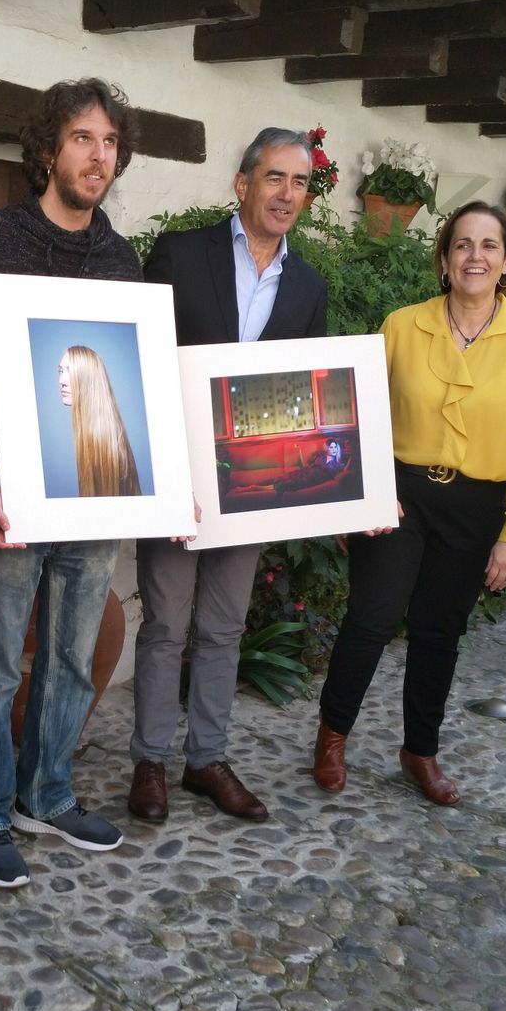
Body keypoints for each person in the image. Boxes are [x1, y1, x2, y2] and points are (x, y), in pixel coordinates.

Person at [0, 78, 144, 888]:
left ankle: (46, 794)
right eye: (83, 139)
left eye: (109, 143)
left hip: (94, 485)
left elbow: (128, 386)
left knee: (69, 656)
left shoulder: (123, 260)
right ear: (48, 149)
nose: (98, 157)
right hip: (13, 494)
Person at [313, 200, 506, 805]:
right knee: (371, 618)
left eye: (488, 246)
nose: (475, 256)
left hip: (476, 507)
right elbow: (361, 417)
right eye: (462, 245)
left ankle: (419, 751)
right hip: (400, 497)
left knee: (439, 632)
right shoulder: (401, 325)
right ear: (444, 260)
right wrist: (354, 499)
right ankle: (331, 738)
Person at [128, 128, 329, 825]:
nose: (287, 194)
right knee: (165, 624)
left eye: (299, 183)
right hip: (179, 478)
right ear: (242, 185)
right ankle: (150, 761)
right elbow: (143, 359)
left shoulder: (308, 286)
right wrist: (155, 471)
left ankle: (206, 760)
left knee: (223, 627)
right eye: (274, 178)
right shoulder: (182, 255)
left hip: (255, 486)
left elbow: (304, 399)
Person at [58, 344, 141, 497]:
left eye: (70, 371)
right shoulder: (97, 435)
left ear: (88, 379)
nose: (61, 380)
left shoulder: (102, 444)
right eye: (61, 371)